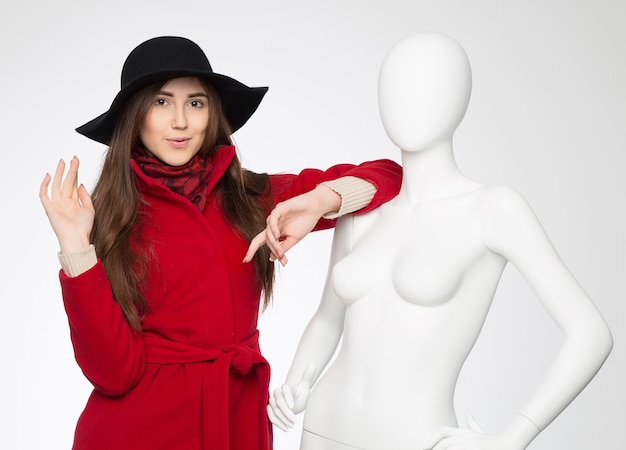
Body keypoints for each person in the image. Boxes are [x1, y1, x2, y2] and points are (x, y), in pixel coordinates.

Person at [39, 36, 402, 450]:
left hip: (237, 425)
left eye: (195, 103)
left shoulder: (254, 199)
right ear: (134, 117)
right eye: (161, 102)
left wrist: (323, 200)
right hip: (138, 433)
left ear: (212, 113)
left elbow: (390, 174)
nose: (180, 121)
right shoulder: (108, 221)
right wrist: (75, 245)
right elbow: (112, 373)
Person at [267, 33, 613, 450]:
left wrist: (516, 436)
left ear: (461, 97)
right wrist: (294, 383)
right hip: (323, 428)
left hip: (414, 437)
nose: (407, 101)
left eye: (428, 86)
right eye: (394, 88)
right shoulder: (363, 208)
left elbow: (590, 332)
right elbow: (327, 319)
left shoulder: (492, 209)